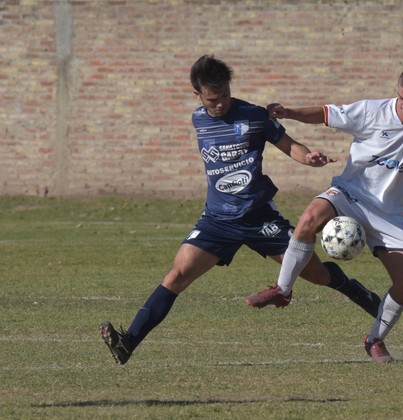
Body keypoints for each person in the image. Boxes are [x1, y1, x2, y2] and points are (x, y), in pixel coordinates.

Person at [99, 55, 381, 365]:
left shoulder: (255, 116)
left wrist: (308, 158)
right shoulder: (198, 119)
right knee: (176, 276)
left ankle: (357, 292)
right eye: (212, 99)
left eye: (225, 95)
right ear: (197, 95)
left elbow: (289, 145)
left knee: (316, 274)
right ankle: (128, 343)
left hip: (259, 217)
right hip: (217, 220)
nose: (220, 103)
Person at [245, 66, 403, 363]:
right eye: (401, 97)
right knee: (308, 220)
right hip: (349, 194)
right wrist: (289, 112)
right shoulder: (372, 111)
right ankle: (283, 290)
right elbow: (326, 114)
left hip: (388, 214)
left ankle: (375, 339)